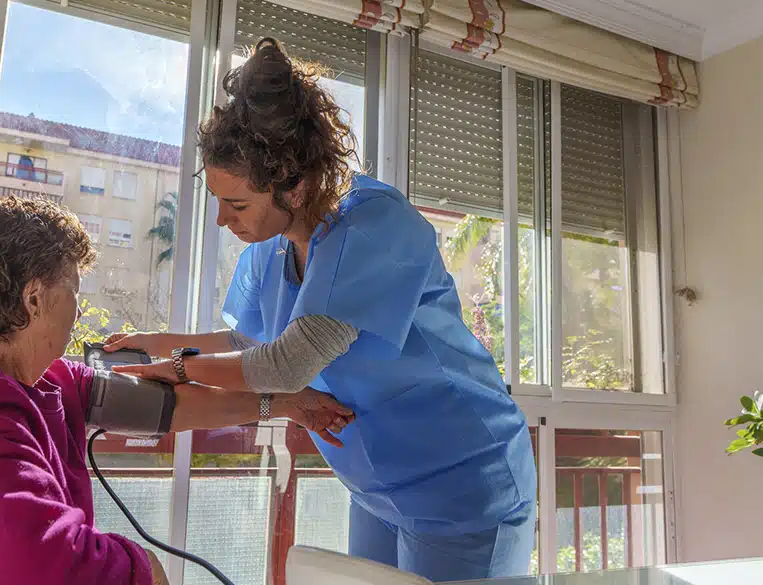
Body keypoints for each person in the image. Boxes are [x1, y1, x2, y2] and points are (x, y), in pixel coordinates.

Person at [105, 38, 537, 583]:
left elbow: (285, 365)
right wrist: (167, 341)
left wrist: (182, 367)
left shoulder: (374, 225)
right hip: (376, 488)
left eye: (236, 204)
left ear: (297, 183)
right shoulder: (274, 245)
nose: (221, 220)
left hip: (460, 480)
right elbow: (251, 342)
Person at [0, 195, 355, 585]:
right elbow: (31, 568)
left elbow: (169, 407)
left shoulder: (30, 379)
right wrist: (140, 566)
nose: (77, 309)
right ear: (33, 299)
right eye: (73, 290)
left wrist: (284, 403)